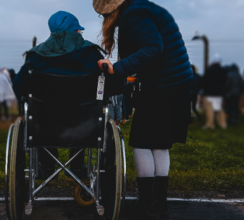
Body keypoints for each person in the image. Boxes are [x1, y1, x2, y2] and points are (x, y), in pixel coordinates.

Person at [93, 0, 193, 218]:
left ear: (114, 10)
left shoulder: (134, 15)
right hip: (174, 82)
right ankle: (159, 204)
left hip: (163, 84)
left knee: (141, 141)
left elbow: (153, 48)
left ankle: (147, 203)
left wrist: (117, 68)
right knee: (158, 143)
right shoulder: (142, 8)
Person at [13, 11, 105, 179]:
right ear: (78, 32)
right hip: (84, 125)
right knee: (83, 111)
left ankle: (46, 166)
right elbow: (107, 86)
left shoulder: (35, 56)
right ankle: (77, 167)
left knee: (40, 114)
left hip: (44, 124)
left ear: (51, 33)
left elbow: (19, 87)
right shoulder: (93, 55)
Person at [201, 54, 228, 129]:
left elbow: (204, 81)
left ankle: (210, 124)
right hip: (219, 93)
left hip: (209, 93)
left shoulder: (209, 70)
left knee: (209, 109)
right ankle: (222, 124)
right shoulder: (223, 71)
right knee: (219, 109)